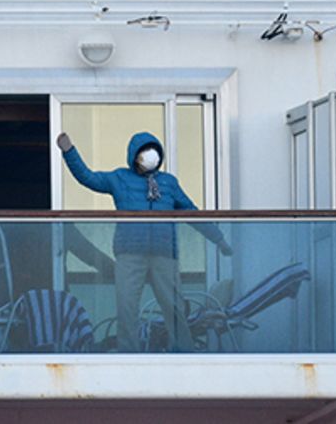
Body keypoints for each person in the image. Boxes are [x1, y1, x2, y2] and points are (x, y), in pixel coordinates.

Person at [57, 129, 233, 352]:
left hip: (164, 254)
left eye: (153, 150)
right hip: (130, 253)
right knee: (127, 307)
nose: (150, 155)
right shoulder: (119, 178)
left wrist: (219, 239)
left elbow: (191, 213)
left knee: (174, 306)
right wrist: (69, 151)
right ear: (134, 155)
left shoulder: (168, 183)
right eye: (144, 151)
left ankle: (184, 352)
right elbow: (87, 177)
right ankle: (129, 354)